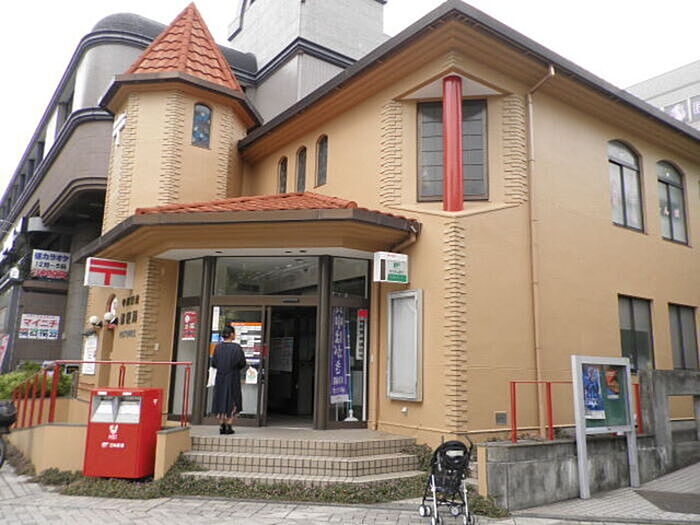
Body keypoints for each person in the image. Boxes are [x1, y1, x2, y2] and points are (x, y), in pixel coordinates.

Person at [211, 326, 247, 435]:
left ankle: (222, 425)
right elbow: (242, 363)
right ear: (231, 334)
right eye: (234, 333)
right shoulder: (237, 348)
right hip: (233, 377)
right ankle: (229, 425)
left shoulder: (218, 347)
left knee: (220, 398)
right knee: (233, 399)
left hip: (220, 377)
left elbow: (214, 363)